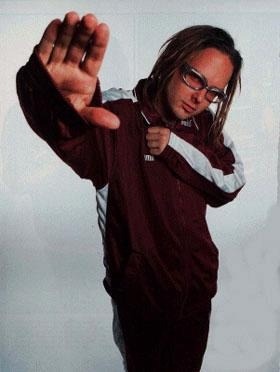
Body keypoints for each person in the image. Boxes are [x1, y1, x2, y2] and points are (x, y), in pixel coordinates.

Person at [16, 11, 245, 372]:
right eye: (194, 78)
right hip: (141, 296)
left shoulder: (205, 125)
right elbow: (71, 134)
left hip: (197, 291)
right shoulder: (115, 114)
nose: (200, 97)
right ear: (172, 61)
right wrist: (51, 99)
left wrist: (173, 148)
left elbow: (229, 183)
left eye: (213, 91)